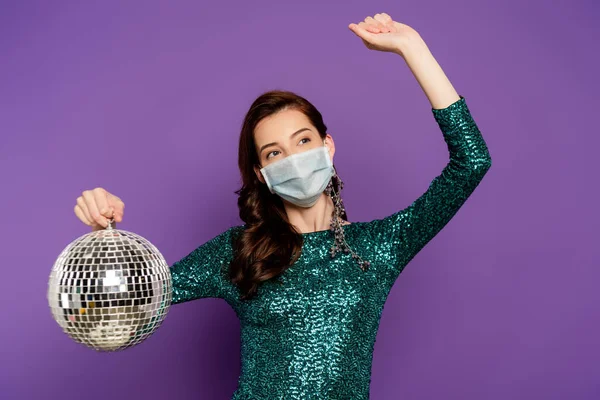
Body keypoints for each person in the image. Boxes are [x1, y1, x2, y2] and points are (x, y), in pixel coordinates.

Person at [73, 12, 492, 400]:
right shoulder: (239, 251)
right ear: (261, 173)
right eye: (274, 153)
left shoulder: (378, 248)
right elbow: (111, 310)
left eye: (303, 141)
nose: (292, 159)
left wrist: (412, 47)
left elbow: (472, 162)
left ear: (327, 147)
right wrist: (105, 237)